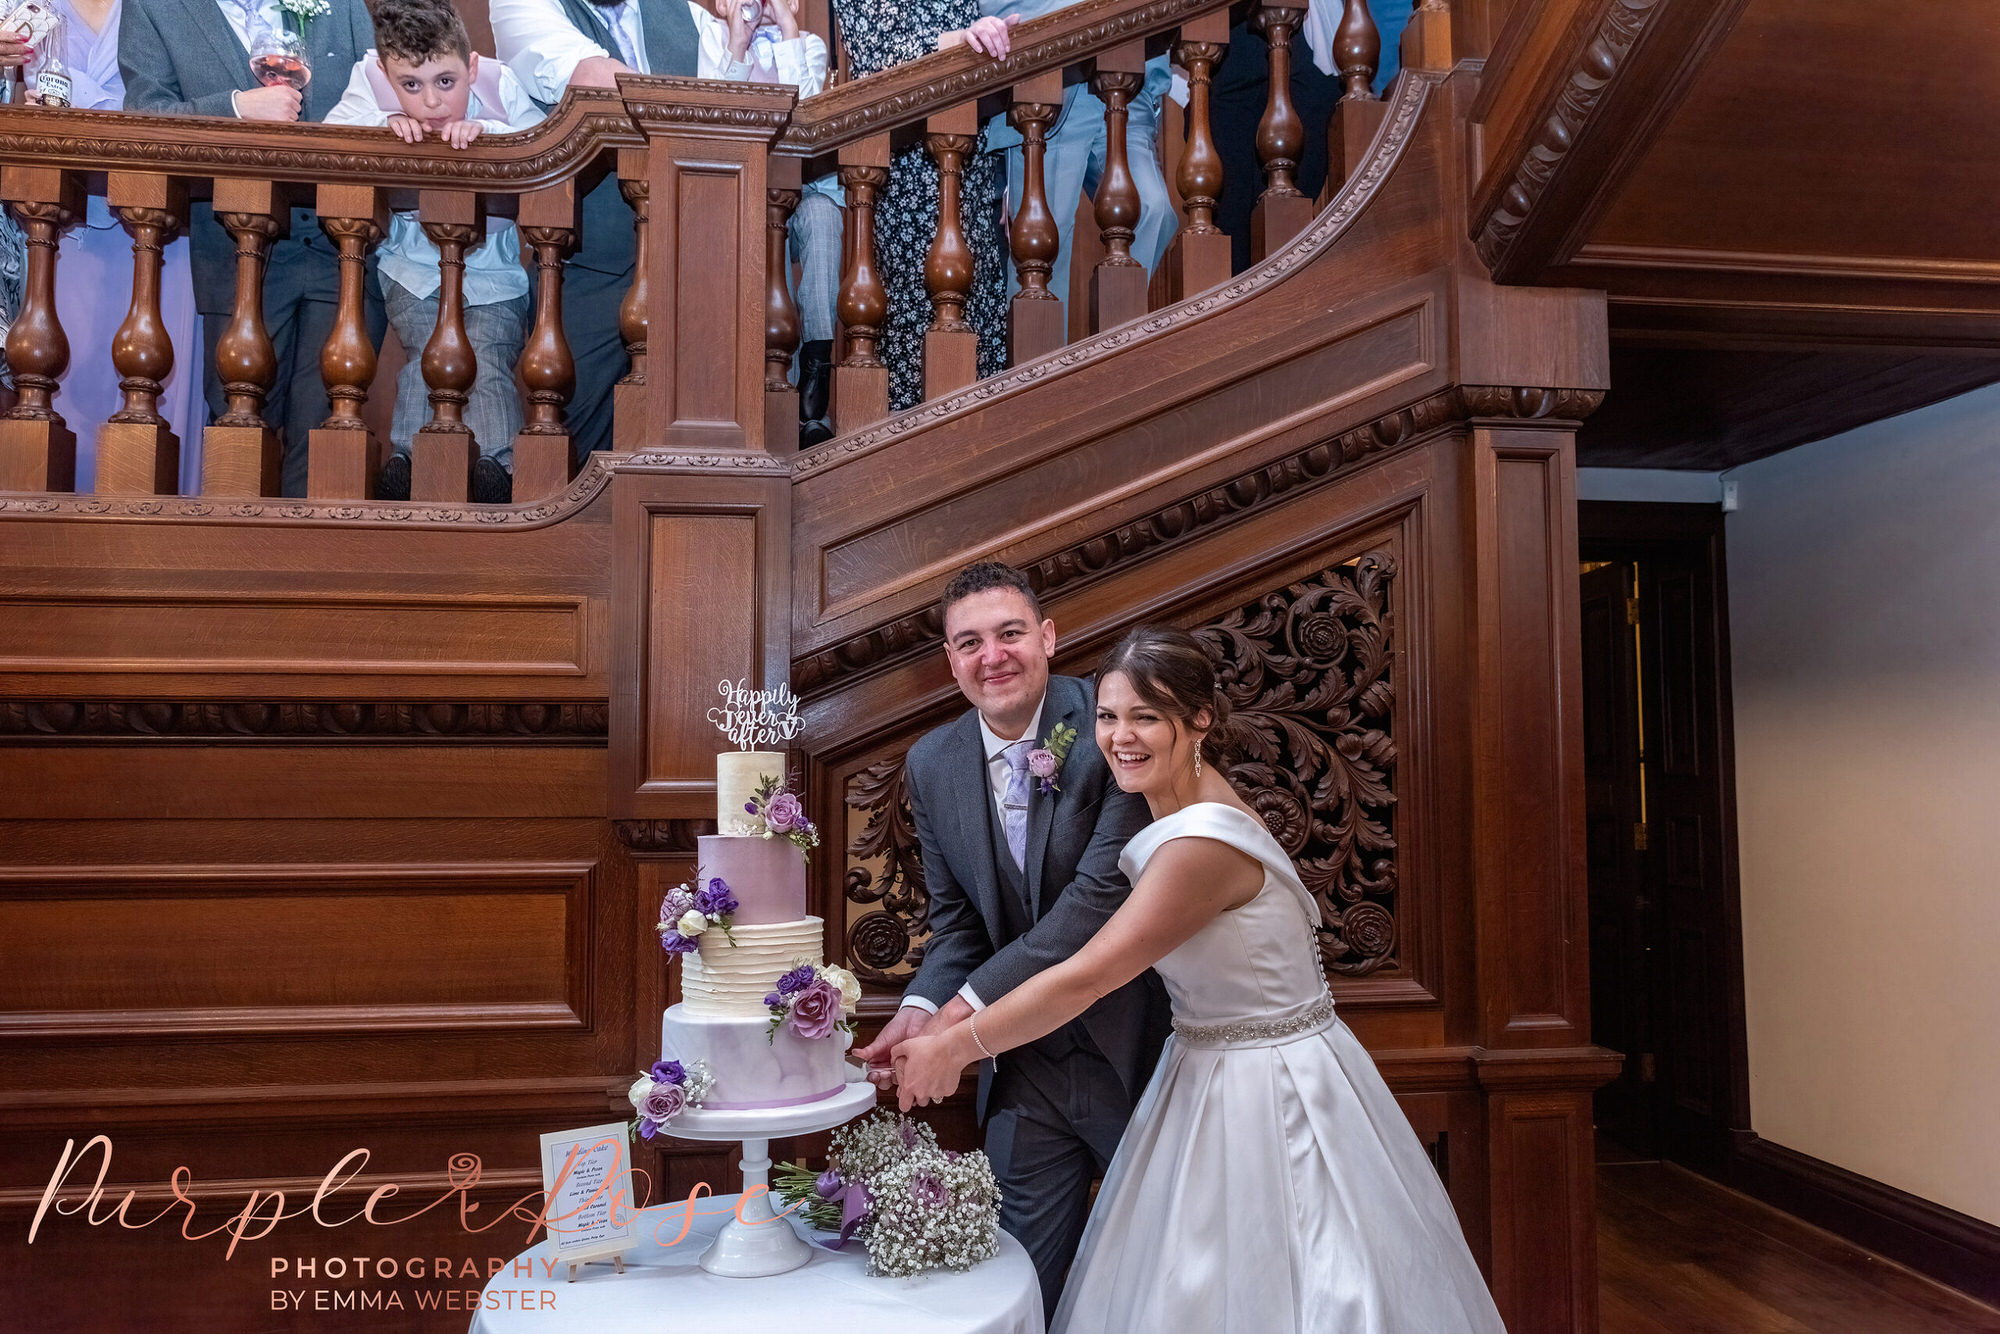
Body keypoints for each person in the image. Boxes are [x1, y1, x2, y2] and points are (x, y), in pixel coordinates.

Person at [892, 624, 1509, 1333]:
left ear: (1200, 721)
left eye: (1146, 717)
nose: (1122, 737)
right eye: (1108, 716)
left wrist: (955, 1045)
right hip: (1202, 1067)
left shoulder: (1199, 845)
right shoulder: (1178, 806)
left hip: (1267, 1089)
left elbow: (1086, 975)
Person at [852, 561, 1169, 1317]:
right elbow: (960, 921)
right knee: (1023, 1288)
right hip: (1024, 1073)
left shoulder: (1111, 728)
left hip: (1137, 1051)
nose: (992, 656)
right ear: (950, 661)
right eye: (970, 642)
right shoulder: (932, 764)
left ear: (1048, 637)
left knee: (1166, 1279)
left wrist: (957, 1023)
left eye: (1010, 633)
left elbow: (1096, 903)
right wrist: (920, 1010)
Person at [120, 0, 382, 498]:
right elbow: (145, 116)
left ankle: (314, 567)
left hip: (342, 245)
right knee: (237, 420)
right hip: (234, 246)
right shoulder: (155, 7)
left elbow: (383, 89)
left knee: (331, 426)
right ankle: (234, 568)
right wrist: (236, 108)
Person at [325, 0, 544, 503]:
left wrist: (486, 134)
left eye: (446, 82)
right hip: (413, 269)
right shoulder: (369, 77)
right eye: (411, 86)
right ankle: (409, 461)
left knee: (487, 362)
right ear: (387, 73)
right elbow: (336, 133)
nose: (430, 102)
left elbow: (540, 142)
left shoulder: (498, 80)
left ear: (470, 68)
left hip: (494, 275)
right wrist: (384, 126)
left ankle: (497, 467)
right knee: (426, 359)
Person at [492, 0, 699, 462]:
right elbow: (589, 76)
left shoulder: (684, 11)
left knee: (691, 451)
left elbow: (741, 82)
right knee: (580, 456)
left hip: (693, 263)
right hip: (585, 266)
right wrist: (699, 107)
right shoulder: (519, 5)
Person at [20, 0, 207, 492]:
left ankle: (157, 532)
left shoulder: (177, 7)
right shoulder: (24, 7)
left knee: (155, 378)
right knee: (57, 374)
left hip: (160, 226)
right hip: (57, 230)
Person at [830, 0, 1012, 412]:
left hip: (970, 168)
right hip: (905, 172)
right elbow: (881, 55)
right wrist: (965, 41)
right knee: (914, 328)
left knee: (976, 331)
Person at [686, 0, 840, 448]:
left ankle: (815, 390)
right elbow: (713, 118)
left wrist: (788, 30)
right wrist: (738, 41)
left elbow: (810, 120)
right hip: (744, 193)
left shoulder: (807, 45)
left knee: (824, 219)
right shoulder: (714, 40)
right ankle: (772, 391)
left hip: (804, 188)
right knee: (766, 269)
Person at [979, 0, 1175, 324]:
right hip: (1046, 81)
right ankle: (1044, 371)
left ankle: (1115, 351)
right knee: (1040, 260)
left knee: (1153, 209)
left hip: (1125, 71)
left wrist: (1152, 84)